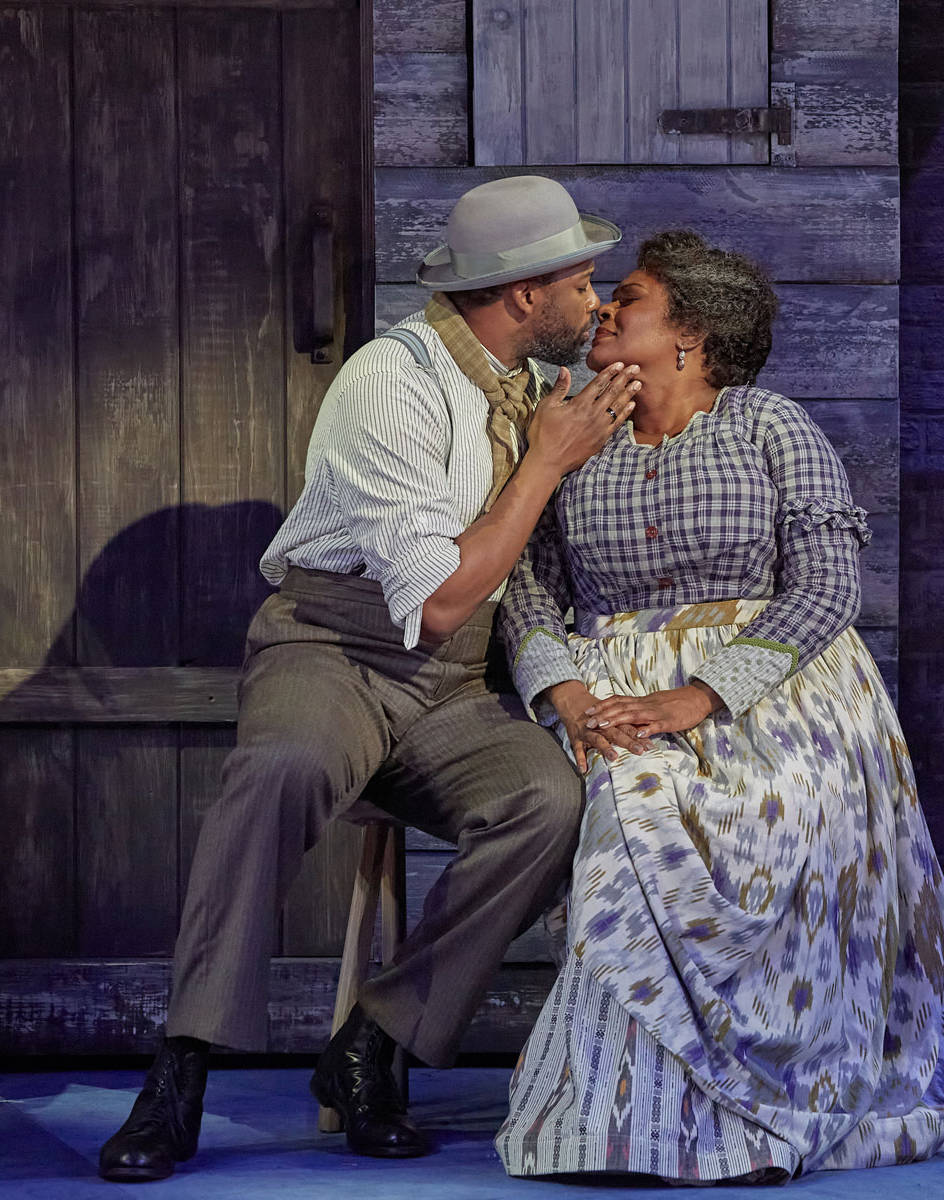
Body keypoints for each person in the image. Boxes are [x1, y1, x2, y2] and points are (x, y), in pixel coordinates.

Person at [98, 176, 642, 1182]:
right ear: (522, 295)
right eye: (580, 280)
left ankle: (373, 1044)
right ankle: (179, 1072)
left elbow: (480, 613)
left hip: (453, 682)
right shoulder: (392, 380)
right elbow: (434, 598)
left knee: (548, 801)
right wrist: (546, 466)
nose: (594, 300)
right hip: (335, 648)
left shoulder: (526, 388)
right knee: (281, 771)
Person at [494, 232, 944, 1183]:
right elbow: (529, 589)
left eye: (626, 299)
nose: (600, 310)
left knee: (792, 814)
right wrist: (568, 693)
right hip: (617, 694)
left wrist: (707, 693)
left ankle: (779, 1091)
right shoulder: (569, 433)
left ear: (690, 336)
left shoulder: (770, 425)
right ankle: (630, 1120)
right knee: (633, 817)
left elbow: (830, 583)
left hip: (777, 690)